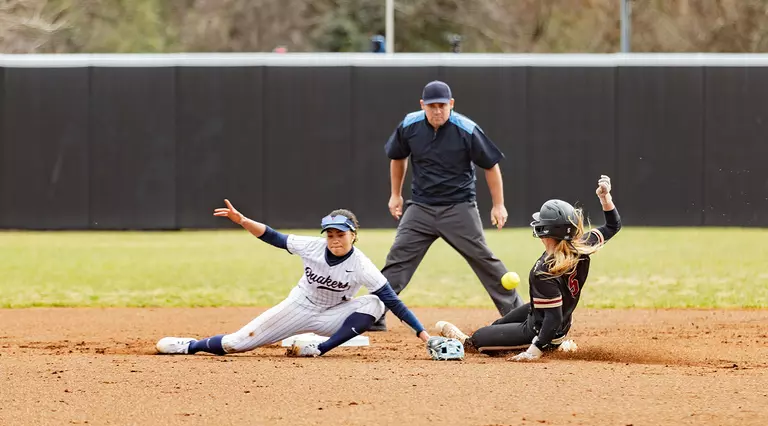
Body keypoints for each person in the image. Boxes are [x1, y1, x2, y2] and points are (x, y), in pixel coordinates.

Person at [155, 199, 432, 357]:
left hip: (332, 316)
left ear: (353, 235)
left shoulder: (362, 265)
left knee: (376, 303)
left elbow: (393, 301)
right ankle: (190, 345)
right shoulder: (311, 246)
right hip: (299, 307)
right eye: (330, 234)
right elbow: (273, 237)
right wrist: (243, 221)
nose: (335, 239)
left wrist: (424, 335)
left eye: (341, 234)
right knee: (236, 343)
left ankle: (320, 349)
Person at [371, 80, 524, 331]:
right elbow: (397, 157)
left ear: (451, 104)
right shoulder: (409, 125)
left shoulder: (466, 129)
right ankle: (373, 314)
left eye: (442, 105)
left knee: (485, 260)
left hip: (459, 208)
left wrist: (499, 205)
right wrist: (395, 195)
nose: (437, 111)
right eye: (432, 106)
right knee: (397, 261)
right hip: (420, 208)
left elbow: (491, 165)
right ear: (423, 105)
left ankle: (518, 315)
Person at [435, 175, 621, 361]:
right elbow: (613, 225)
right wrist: (605, 199)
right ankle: (551, 343)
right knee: (497, 325)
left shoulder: (543, 271)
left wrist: (535, 350)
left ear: (546, 231)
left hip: (541, 332)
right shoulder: (581, 245)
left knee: (478, 339)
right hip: (556, 322)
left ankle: (468, 342)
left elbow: (553, 318)